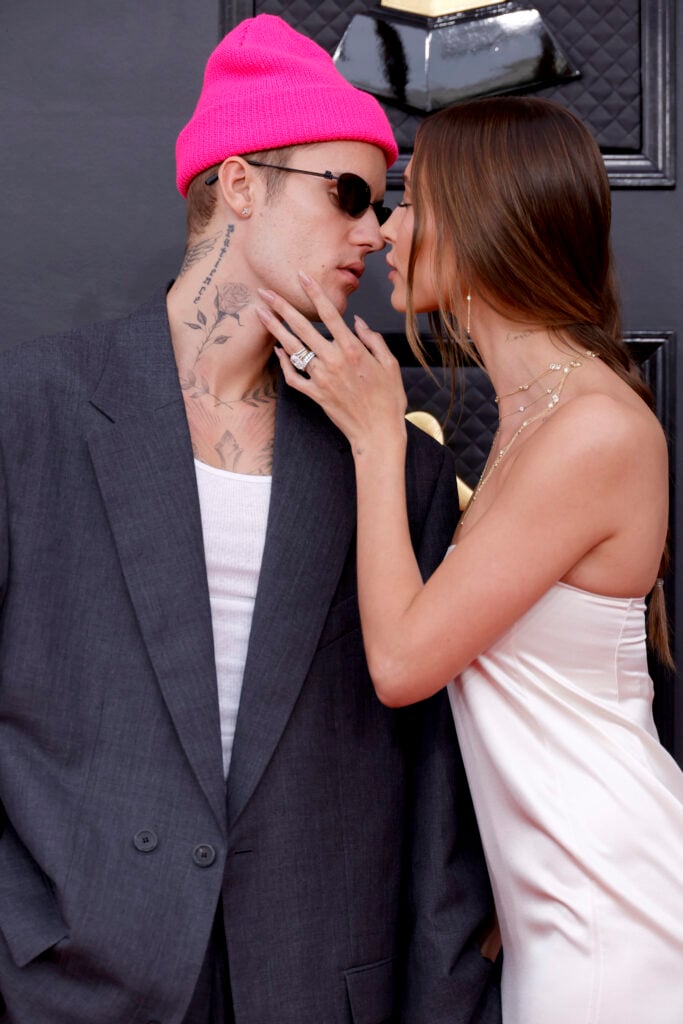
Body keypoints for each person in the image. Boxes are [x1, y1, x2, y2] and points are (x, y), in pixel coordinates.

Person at [0, 14, 501, 1024]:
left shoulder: (389, 457)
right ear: (237, 184)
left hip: (318, 985)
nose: (375, 231)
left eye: (384, 203)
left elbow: (437, 787)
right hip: (76, 980)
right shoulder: (34, 410)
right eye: (348, 194)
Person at [260, 95, 683, 1024]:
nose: (385, 229)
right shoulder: (539, 414)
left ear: (487, 217)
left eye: (411, 201)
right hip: (557, 910)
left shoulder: (592, 430)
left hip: (611, 916)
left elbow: (404, 663)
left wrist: (376, 438)